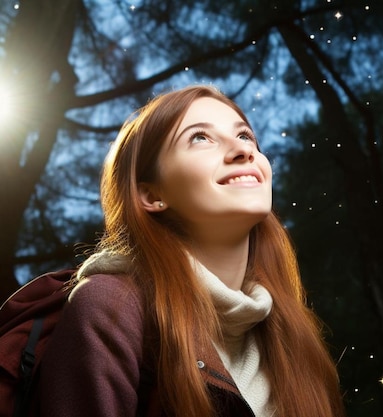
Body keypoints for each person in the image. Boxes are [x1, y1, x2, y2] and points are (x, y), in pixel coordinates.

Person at [39, 85, 346, 417]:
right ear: (151, 195)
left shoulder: (296, 342)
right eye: (200, 138)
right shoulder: (110, 307)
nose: (243, 151)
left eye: (245, 136)